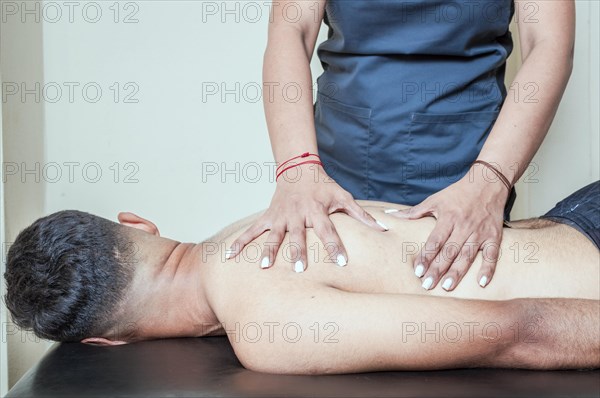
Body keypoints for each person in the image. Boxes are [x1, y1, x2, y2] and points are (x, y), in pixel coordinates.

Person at [4, 182, 599, 374]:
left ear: (105, 341)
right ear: (137, 223)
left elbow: (517, 331)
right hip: (577, 217)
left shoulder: (266, 328)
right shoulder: (254, 225)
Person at [229, 0, 576, 291]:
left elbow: (548, 43)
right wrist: (298, 169)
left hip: (469, 178)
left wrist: (489, 182)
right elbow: (291, 29)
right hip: (336, 173)